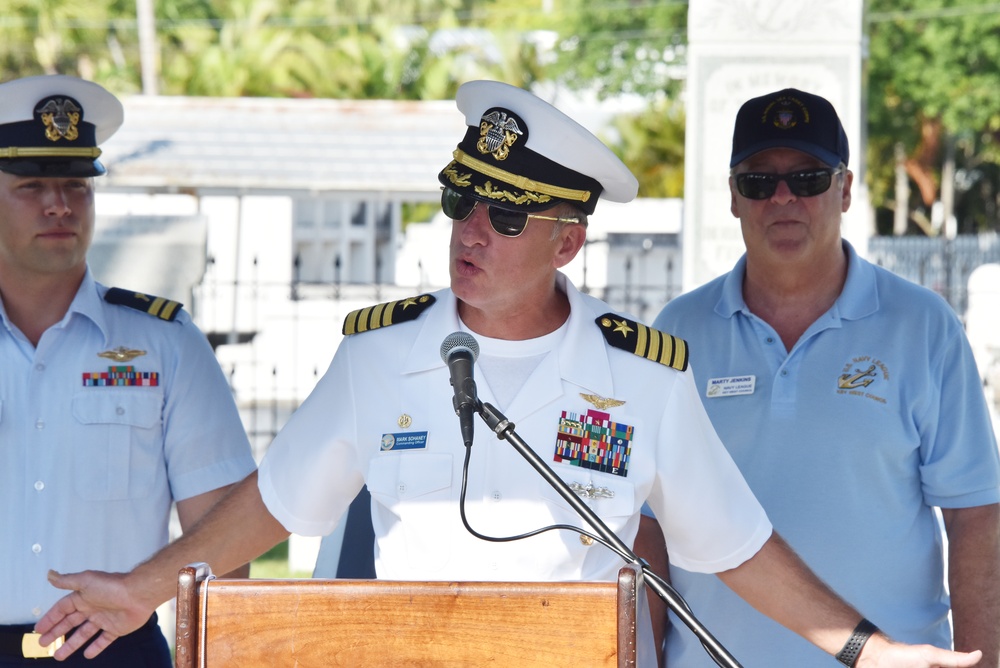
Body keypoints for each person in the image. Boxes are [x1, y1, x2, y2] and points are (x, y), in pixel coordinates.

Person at [35, 80, 983, 668]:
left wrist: (869, 653)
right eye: (463, 204)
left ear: (569, 239)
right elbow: (273, 505)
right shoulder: (379, 355)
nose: (472, 234)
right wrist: (142, 586)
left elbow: (733, 545)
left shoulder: (643, 375)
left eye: (507, 217)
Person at [651, 87, 1000, 667]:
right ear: (734, 197)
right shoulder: (676, 332)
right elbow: (647, 528)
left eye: (808, 178)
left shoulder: (923, 326)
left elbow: (976, 515)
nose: (783, 198)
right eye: (759, 181)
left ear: (845, 188)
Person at [0, 75, 256, 667]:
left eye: (76, 184)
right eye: (31, 184)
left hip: (117, 651)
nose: (59, 204)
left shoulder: (164, 344)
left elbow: (230, 546)